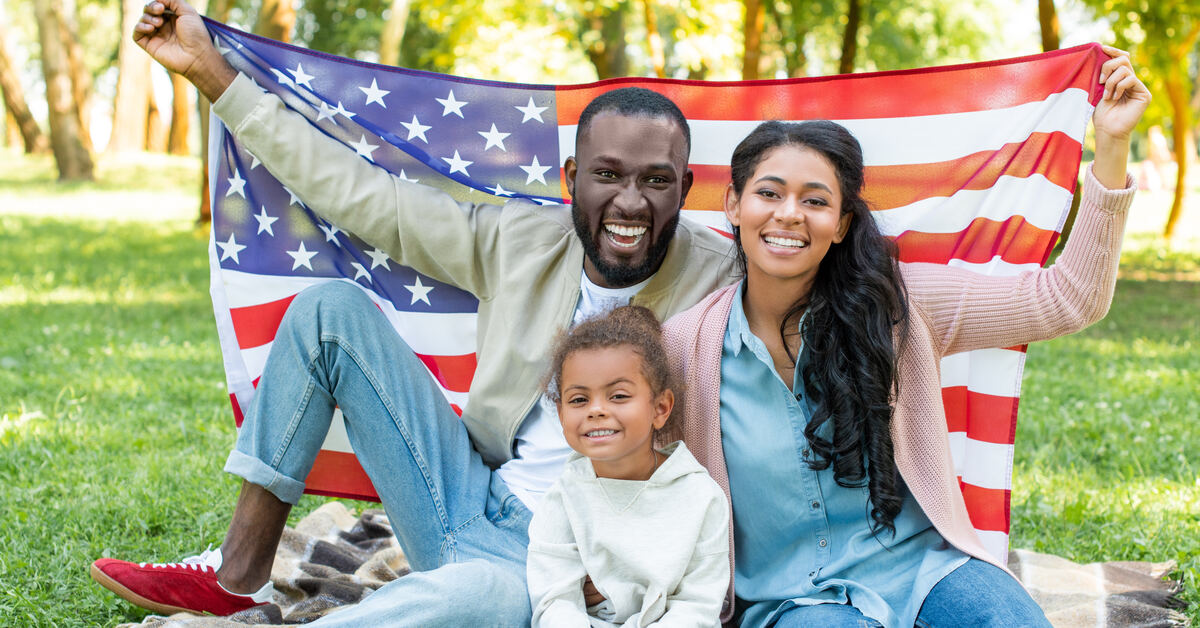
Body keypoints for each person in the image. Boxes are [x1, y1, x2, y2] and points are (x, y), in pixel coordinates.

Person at [90, 1, 737, 624]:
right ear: (572, 180)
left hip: (559, 566)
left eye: (655, 181)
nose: (629, 202)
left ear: (686, 188)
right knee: (329, 313)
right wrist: (213, 76)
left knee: (482, 597)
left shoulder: (724, 280)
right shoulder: (520, 241)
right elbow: (367, 199)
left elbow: (823, 304)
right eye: (608, 175)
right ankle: (238, 575)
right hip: (463, 499)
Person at [661, 48, 1149, 627]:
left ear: (841, 225)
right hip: (789, 603)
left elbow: (1068, 299)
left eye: (816, 201)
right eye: (769, 193)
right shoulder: (682, 348)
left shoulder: (898, 307)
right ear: (734, 206)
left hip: (928, 571)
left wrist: (1112, 144)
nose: (789, 214)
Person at [526, 306, 729, 627]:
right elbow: (554, 601)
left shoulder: (702, 497)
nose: (596, 410)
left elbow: (698, 605)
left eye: (618, 395)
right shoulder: (562, 498)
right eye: (579, 399)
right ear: (561, 413)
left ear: (660, 408)